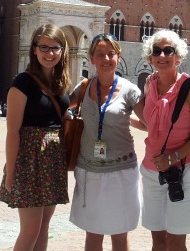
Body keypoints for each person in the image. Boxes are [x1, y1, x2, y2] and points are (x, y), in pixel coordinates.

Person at [132, 30, 190, 250]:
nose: (162, 55)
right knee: (158, 240)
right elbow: (151, 127)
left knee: (175, 242)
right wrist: (123, 120)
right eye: (157, 51)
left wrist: (172, 157)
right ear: (150, 57)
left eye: (168, 51)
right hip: (151, 170)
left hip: (182, 172)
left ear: (178, 57)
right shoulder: (150, 86)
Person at [69, 33, 142, 251]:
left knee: (119, 233)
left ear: (118, 57)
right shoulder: (82, 88)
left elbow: (149, 123)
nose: (106, 58)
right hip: (89, 170)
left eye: (111, 54)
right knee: (93, 233)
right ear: (91, 58)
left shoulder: (130, 91)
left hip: (121, 170)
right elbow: (60, 110)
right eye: (100, 54)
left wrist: (122, 117)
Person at [3, 24, 71, 251]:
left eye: (55, 48)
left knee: (43, 229)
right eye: (44, 47)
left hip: (52, 162)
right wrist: (10, 173)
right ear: (34, 49)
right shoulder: (23, 82)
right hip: (29, 162)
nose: (49, 53)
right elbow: (13, 132)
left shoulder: (61, 82)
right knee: (30, 231)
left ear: (62, 50)